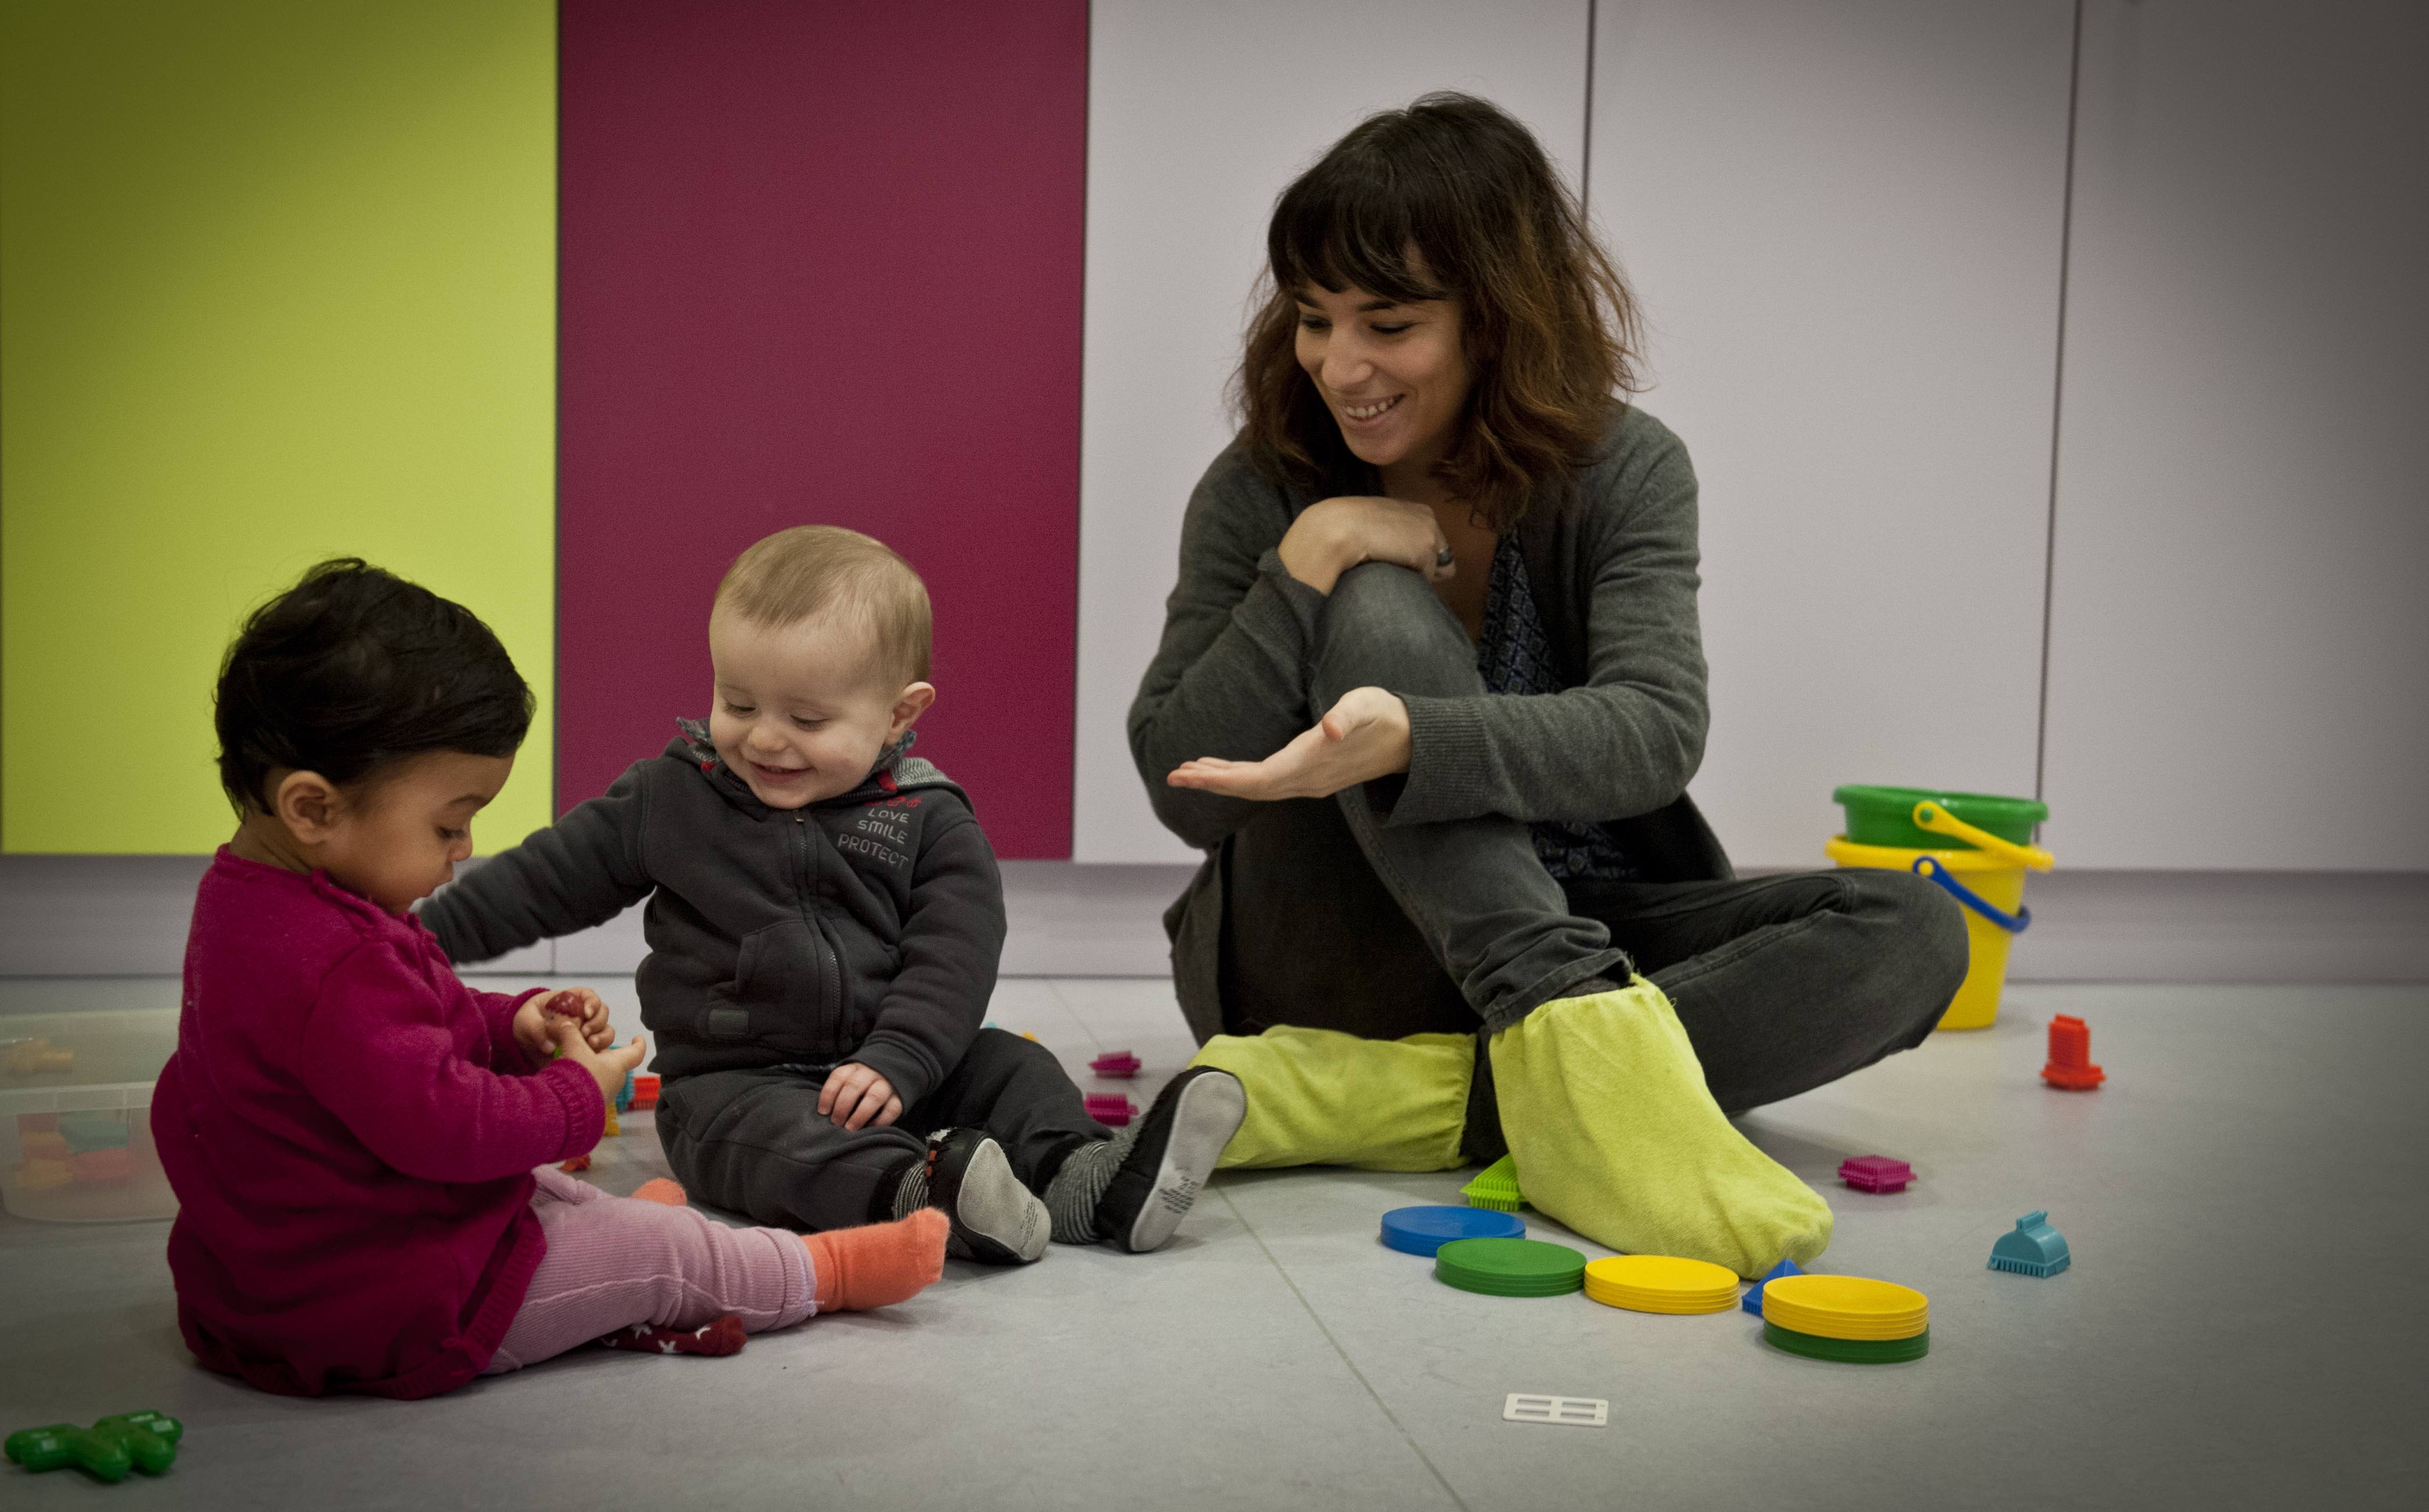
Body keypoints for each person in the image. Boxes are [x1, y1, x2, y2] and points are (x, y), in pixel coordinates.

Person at [1130, 93, 1969, 1277]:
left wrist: (1414, 736)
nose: (1340, 364)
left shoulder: (1626, 470)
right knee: (1373, 594)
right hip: (1321, 957)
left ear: (1499, 319)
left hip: (1577, 925)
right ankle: (1573, 1068)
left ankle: (1409, 1096)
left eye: (1389, 322)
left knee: (1913, 930)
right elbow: (1181, 784)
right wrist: (1305, 565)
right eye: (1315, 319)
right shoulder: (1262, 486)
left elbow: (1655, 730)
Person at [155, 559, 947, 1400]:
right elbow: (448, 1129)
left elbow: (390, 1037)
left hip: (280, 1286)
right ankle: (819, 1271)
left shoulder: (257, 900)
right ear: (312, 808)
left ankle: (616, 1237)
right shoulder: (336, 956)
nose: (463, 850)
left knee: (544, 1193)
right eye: (449, 824)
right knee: (660, 1256)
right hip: (400, 1315)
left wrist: (512, 1023)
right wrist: (578, 1094)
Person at [424, 526, 1246, 1263]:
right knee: (772, 1144)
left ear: (898, 714)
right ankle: (927, 1196)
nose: (763, 737)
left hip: (903, 1066)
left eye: (808, 719)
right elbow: (544, 879)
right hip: (737, 1080)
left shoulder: (928, 818)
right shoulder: (670, 797)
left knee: (1013, 1068)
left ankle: (1087, 1182)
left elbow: (954, 954)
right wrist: (422, 937)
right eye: (737, 704)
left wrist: (903, 1058)